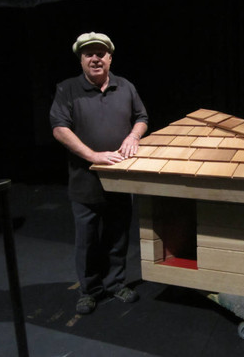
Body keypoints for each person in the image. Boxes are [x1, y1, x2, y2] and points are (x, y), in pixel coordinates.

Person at [50, 32, 148, 314]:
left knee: (118, 235)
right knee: (88, 239)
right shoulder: (67, 89)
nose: (95, 58)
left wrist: (133, 136)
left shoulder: (125, 86)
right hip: (85, 181)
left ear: (110, 57)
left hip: (119, 179)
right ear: (81, 59)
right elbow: (59, 128)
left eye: (100, 53)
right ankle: (89, 290)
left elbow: (142, 117)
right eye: (88, 53)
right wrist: (93, 155)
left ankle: (116, 283)